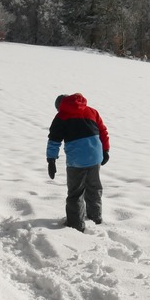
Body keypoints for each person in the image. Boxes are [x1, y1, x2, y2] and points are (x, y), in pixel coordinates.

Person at [46, 92, 110, 231]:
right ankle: (95, 217)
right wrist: (105, 150)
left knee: (75, 193)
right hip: (95, 156)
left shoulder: (61, 116)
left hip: (77, 161)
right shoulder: (91, 111)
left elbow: (54, 140)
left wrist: (51, 160)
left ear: (60, 106)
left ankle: (76, 225)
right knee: (94, 188)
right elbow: (103, 131)